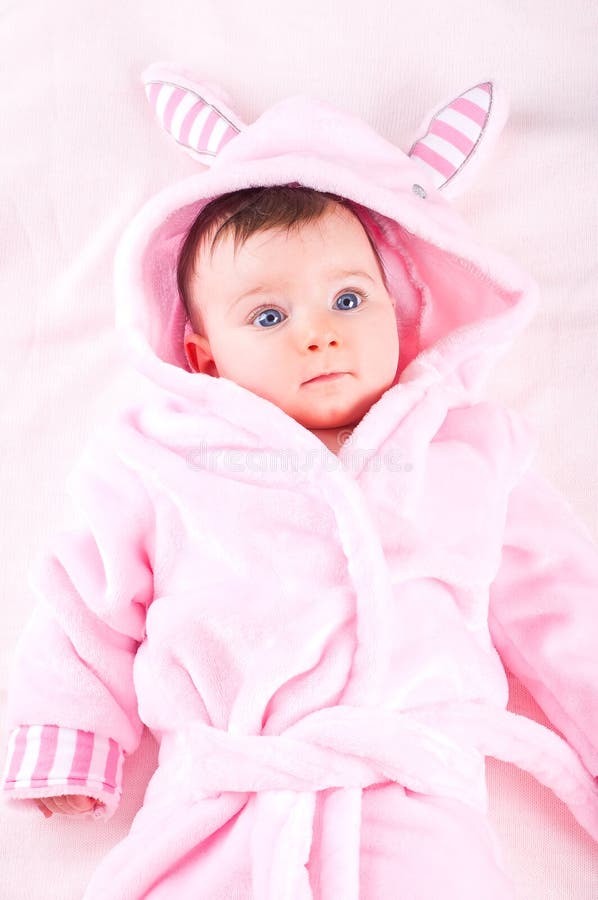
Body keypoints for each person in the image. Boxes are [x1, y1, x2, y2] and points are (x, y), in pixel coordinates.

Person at [2, 72, 598, 899]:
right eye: (270, 317)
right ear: (205, 354)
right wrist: (67, 734)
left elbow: (564, 607)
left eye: (349, 299)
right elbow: (84, 601)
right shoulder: (159, 457)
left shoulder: (469, 451)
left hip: (416, 801)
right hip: (218, 804)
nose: (319, 334)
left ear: (402, 313)